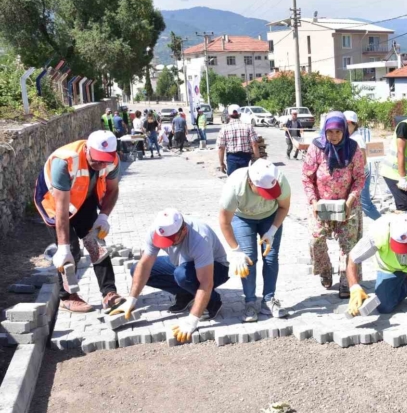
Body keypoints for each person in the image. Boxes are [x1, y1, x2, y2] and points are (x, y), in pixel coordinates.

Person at [33, 130, 125, 313]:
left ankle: (109, 293)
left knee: (96, 244)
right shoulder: (65, 161)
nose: (100, 164)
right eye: (96, 159)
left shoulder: (111, 161)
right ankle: (67, 296)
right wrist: (63, 247)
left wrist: (103, 215)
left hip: (84, 198)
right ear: (87, 149)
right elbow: (61, 208)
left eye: (104, 160)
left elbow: (113, 190)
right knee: (71, 250)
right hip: (54, 202)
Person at [110, 209, 230, 343]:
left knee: (182, 275)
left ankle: (213, 302)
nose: (167, 244)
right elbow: (144, 266)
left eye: (170, 240)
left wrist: (192, 320)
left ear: (183, 230)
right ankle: (187, 293)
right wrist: (131, 300)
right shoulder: (156, 230)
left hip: (216, 268)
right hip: (182, 263)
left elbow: (206, 283)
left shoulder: (200, 238)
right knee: (136, 270)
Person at [301, 112, 365, 293]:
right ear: (325, 131)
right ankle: (325, 269)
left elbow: (360, 178)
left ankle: (347, 280)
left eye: (338, 131)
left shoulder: (354, 149)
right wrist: (313, 201)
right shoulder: (316, 148)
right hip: (320, 205)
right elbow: (306, 178)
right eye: (330, 132)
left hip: (347, 205)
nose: (334, 136)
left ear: (345, 130)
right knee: (316, 240)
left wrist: (350, 200)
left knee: (348, 245)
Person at [219, 159, 290, 322]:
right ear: (251, 182)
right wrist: (235, 251)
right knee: (248, 258)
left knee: (271, 257)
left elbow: (284, 207)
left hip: (270, 216)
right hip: (243, 218)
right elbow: (224, 221)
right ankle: (250, 302)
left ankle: (268, 300)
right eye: (263, 191)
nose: (266, 196)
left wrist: (272, 230)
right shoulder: (235, 186)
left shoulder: (279, 179)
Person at [344, 110, 380, 221]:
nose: (345, 126)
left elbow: (363, 160)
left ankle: (385, 225)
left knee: (366, 204)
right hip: (354, 175)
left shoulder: (356, 138)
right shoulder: (347, 137)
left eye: (348, 124)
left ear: (354, 125)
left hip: (361, 174)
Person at [217, 108, 260, 176]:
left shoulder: (224, 129)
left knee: (232, 182)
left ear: (228, 115)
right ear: (240, 115)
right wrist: (257, 159)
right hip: (245, 158)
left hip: (232, 159)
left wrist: (221, 163)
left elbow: (221, 148)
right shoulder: (248, 127)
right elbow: (254, 144)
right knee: (246, 181)